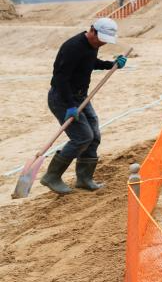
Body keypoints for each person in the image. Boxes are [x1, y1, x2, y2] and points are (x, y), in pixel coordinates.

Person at [40, 18, 127, 195]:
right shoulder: (73, 47)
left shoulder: (92, 45)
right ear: (92, 30)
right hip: (63, 99)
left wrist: (111, 65)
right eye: (101, 38)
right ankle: (52, 176)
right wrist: (70, 106)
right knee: (82, 137)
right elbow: (60, 79)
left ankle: (84, 179)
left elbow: (90, 62)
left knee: (94, 136)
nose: (102, 43)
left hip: (81, 97)